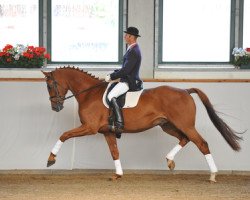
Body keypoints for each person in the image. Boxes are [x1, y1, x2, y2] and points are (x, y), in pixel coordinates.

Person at [105, 26, 142, 135]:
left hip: (129, 81)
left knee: (111, 96)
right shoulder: (131, 49)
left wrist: (112, 76)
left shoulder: (134, 51)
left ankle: (119, 124)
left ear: (132, 37)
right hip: (126, 78)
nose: (125, 37)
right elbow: (125, 68)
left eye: (127, 35)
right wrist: (114, 73)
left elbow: (126, 70)